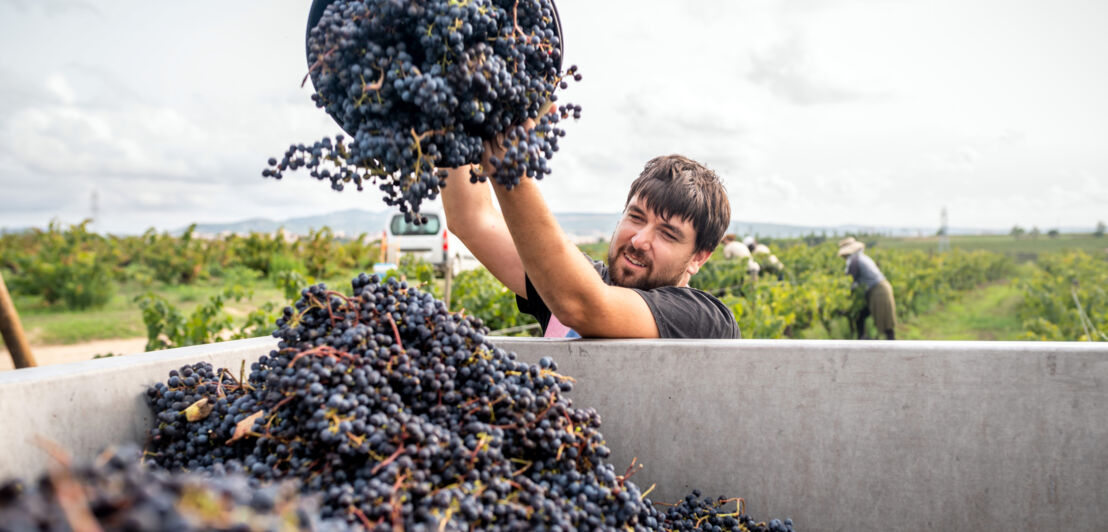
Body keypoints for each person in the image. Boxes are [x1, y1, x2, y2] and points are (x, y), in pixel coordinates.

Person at [441, 142, 739, 339]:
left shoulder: (706, 321)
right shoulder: (571, 281)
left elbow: (583, 307)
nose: (639, 240)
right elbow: (473, 219)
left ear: (699, 257)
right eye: (636, 217)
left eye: (667, 234)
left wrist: (506, 160)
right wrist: (454, 122)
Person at [838, 237, 896, 340]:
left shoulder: (855, 260)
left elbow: (850, 282)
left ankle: (891, 347)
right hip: (879, 289)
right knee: (861, 316)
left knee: (885, 322)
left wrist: (844, 302)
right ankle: (864, 340)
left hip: (879, 291)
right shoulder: (860, 257)